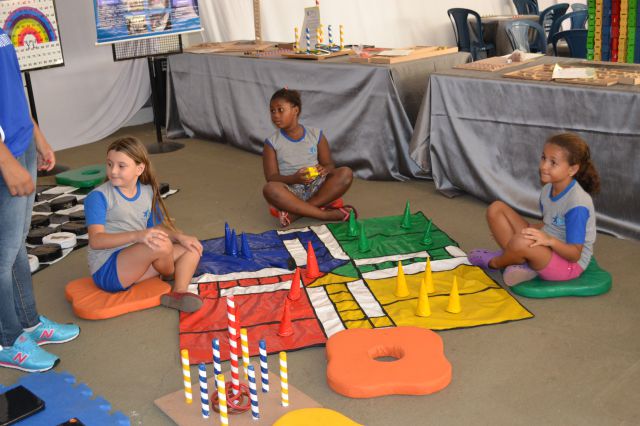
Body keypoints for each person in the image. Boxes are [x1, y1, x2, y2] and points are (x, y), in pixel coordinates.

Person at [0, 27, 80, 372]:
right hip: (5, 154)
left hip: (20, 142)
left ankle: (28, 323)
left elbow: (10, 87)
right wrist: (5, 161)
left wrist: (36, 133)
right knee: (2, 255)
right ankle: (7, 340)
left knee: (15, 244)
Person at [85, 136, 203, 312]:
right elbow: (96, 240)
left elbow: (155, 227)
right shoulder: (98, 197)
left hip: (142, 259)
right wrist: (138, 235)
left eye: (121, 166)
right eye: (109, 164)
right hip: (109, 270)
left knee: (192, 247)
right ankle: (168, 271)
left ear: (139, 169)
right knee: (161, 245)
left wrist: (180, 237)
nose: (113, 171)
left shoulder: (148, 191)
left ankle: (179, 292)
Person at [469, 133, 600, 286]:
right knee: (496, 209)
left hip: (568, 264)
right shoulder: (548, 189)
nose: (544, 166)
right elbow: (550, 222)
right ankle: (520, 259)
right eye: (544, 158)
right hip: (547, 243)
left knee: (520, 241)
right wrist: (524, 230)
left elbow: (574, 254)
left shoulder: (577, 205)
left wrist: (548, 240)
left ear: (572, 169)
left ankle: (496, 263)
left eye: (553, 162)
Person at [262, 88, 355, 227]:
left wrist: (325, 169)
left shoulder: (316, 135)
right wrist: (294, 178)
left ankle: (296, 212)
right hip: (291, 190)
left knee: (346, 173)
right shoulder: (271, 143)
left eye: (280, 110)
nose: (275, 115)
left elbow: (329, 164)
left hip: (317, 185)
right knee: (270, 189)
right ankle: (324, 215)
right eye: (272, 111)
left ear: (295, 110)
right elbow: (271, 177)